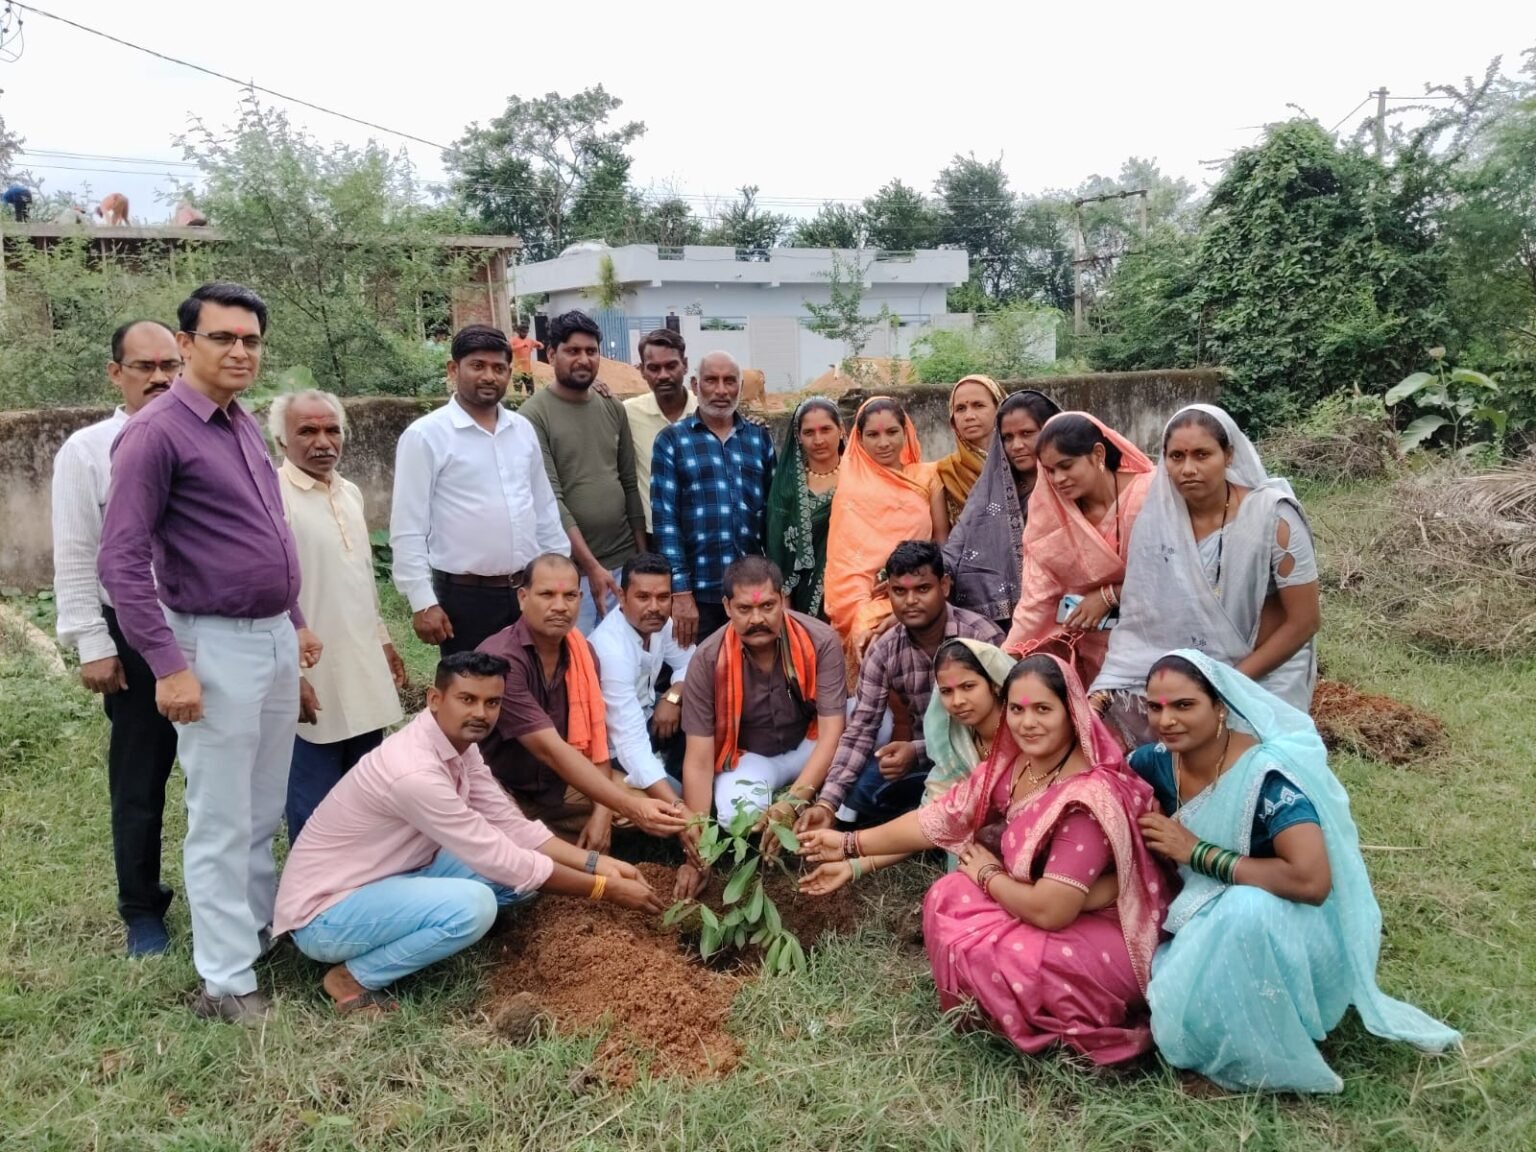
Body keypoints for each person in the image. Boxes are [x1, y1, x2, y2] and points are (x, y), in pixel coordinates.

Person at [99, 281, 323, 1023]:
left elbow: (267, 532)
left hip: (270, 636)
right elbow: (121, 561)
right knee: (222, 816)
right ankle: (225, 982)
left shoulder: (240, 423)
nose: (240, 351)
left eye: (251, 340)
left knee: (261, 806)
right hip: (211, 641)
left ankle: (254, 936)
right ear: (186, 344)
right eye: (223, 338)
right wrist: (169, 666)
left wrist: (294, 620)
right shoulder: (156, 433)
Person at [801, 653, 1168, 1065]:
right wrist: (848, 845)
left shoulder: (1088, 797)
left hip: (1103, 929)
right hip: (1044, 898)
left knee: (1002, 955)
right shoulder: (1016, 764)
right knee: (948, 894)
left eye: (1043, 709)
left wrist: (989, 873)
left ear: (1071, 713)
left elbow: (1051, 911)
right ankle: (999, 1007)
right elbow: (937, 818)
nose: (1027, 723)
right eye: (1017, 710)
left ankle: (1049, 1026)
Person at [1132, 651, 1461, 1091]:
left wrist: (1198, 853)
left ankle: (1269, 1050)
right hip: (1200, 917)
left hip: (1289, 929)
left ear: (1220, 706)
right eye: (1155, 707)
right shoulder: (1154, 763)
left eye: (1184, 705)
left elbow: (1311, 881)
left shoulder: (1268, 776)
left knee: (1245, 909)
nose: (1166, 720)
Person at [273, 651, 663, 1015]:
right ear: (434, 699)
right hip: (325, 914)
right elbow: (500, 858)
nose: (481, 713)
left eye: (492, 703)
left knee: (521, 877)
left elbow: (511, 826)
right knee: (475, 907)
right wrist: (604, 889)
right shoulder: (414, 773)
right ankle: (352, 979)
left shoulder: (459, 745)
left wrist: (596, 863)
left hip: (390, 875)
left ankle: (429, 925)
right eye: (467, 699)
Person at [51, 320, 182, 955]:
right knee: (140, 778)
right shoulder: (88, 450)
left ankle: (236, 896)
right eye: (144, 366)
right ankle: (141, 907)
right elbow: (76, 553)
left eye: (169, 365)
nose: (159, 378)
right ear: (115, 373)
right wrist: (92, 642)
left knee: (224, 776)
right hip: (133, 635)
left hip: (209, 630)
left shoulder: (206, 436)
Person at [1093, 405, 1321, 747]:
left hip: (1264, 673)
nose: (1188, 469)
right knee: (1109, 727)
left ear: (1228, 455)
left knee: (1253, 760)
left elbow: (1305, 621)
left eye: (1202, 455)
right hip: (1187, 675)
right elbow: (1142, 622)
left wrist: (1225, 685)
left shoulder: (1273, 517)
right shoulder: (1157, 524)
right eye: (1176, 456)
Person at [476, 553, 688, 850]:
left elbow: (595, 741)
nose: (560, 606)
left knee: (656, 808)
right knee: (637, 810)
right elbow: (550, 750)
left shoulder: (582, 654)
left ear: (580, 598)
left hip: (561, 782)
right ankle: (536, 837)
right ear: (523, 598)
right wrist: (624, 807)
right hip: (502, 786)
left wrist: (603, 811)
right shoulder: (503, 660)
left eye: (569, 596)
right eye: (547, 595)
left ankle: (554, 835)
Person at [271, 390, 406, 843]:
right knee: (313, 799)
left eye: (332, 430)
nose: (323, 441)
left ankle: (363, 874)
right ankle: (312, 881)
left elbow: (361, 580)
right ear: (281, 440)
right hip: (309, 669)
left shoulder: (349, 493)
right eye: (307, 431)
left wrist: (384, 641)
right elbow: (271, 593)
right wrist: (290, 674)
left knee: (364, 790)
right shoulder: (273, 495)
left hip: (361, 662)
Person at [390, 324, 569, 656]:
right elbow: (408, 527)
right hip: (465, 599)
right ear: (453, 369)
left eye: (499, 368)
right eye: (478, 366)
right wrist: (422, 601)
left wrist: (560, 579)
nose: (489, 376)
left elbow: (544, 509)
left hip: (527, 591)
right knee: (473, 685)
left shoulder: (522, 430)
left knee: (534, 680)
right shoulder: (426, 435)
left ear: (509, 373)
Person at [675, 556, 846, 900]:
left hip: (810, 740)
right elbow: (698, 759)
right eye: (745, 609)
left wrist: (792, 803)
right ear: (727, 607)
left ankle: (819, 803)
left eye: (767, 606)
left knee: (879, 725)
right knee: (733, 814)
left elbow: (832, 733)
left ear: (782, 600)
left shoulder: (820, 639)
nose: (757, 619)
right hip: (751, 756)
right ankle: (799, 795)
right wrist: (697, 847)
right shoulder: (707, 660)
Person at [805, 541, 1003, 829]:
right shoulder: (884, 650)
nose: (910, 600)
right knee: (860, 791)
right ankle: (921, 818)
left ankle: (932, 821)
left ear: (944, 586)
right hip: (925, 762)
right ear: (888, 592)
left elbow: (1005, 721)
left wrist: (917, 751)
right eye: (900, 591)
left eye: (922, 589)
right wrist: (827, 802)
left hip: (980, 758)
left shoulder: (981, 637)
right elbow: (861, 729)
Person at [1003, 412, 1154, 686]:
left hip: (1157, 642)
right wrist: (1004, 662)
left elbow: (1174, 574)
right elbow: (1037, 596)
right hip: (1092, 650)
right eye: (1050, 471)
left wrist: (1109, 595)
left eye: (1066, 466)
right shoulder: (1050, 512)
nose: (1058, 479)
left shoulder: (1150, 494)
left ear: (1098, 454)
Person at [519, 310, 646, 634]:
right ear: (551, 354)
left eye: (591, 351)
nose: (584, 359)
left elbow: (629, 483)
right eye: (573, 350)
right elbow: (552, 499)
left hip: (623, 563)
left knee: (627, 657)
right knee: (579, 657)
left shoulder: (612, 407)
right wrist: (591, 567)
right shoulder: (533, 416)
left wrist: (641, 561)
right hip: (571, 573)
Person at [651, 351, 776, 648]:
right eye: (711, 380)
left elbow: (773, 517)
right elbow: (666, 521)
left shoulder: (758, 439)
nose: (721, 390)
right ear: (696, 385)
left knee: (753, 670)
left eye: (729, 381)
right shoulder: (672, 440)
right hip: (699, 594)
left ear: (740, 387)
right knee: (700, 671)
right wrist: (680, 593)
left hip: (752, 593)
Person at [823, 396, 944, 656]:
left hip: (918, 585)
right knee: (866, 629)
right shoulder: (850, 487)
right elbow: (845, 559)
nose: (884, 443)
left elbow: (941, 541)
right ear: (859, 439)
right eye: (873, 435)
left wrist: (906, 582)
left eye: (892, 432)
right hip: (861, 594)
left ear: (906, 432)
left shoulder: (926, 478)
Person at [945, 390, 1062, 630]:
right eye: (1008, 437)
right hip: (998, 624)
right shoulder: (988, 492)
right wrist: (921, 572)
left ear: (1051, 432)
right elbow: (956, 546)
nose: (1016, 445)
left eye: (1027, 434)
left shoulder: (1069, 486)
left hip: (1065, 612)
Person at [589, 552, 691, 807]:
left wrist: (674, 695)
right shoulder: (612, 651)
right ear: (622, 597)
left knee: (699, 702)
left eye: (663, 597)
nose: (654, 607)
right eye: (643, 597)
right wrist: (680, 808)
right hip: (612, 749)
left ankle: (683, 777)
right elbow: (630, 745)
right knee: (679, 798)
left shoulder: (659, 623)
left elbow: (692, 662)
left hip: (647, 718)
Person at [766, 397, 843, 619]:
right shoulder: (786, 487)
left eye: (826, 429)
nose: (818, 440)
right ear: (798, 436)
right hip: (797, 599)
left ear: (841, 430)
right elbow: (776, 546)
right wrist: (784, 602)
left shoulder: (859, 478)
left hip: (848, 592)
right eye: (809, 432)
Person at [625, 328, 697, 537]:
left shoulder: (705, 412)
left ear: (685, 365)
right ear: (642, 371)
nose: (663, 375)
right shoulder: (628, 414)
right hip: (653, 535)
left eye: (671, 366)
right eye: (654, 368)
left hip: (701, 533)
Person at [932, 374, 1005, 525]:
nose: (969, 416)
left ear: (999, 409)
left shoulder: (1021, 463)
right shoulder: (946, 472)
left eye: (979, 405)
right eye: (960, 409)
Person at [509, 322, 542, 394]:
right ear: (519, 331)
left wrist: (540, 345)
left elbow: (540, 345)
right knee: (517, 392)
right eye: (524, 332)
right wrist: (522, 345)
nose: (525, 334)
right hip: (517, 370)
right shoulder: (513, 340)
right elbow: (509, 348)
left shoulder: (529, 340)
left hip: (527, 371)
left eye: (526, 332)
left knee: (531, 392)